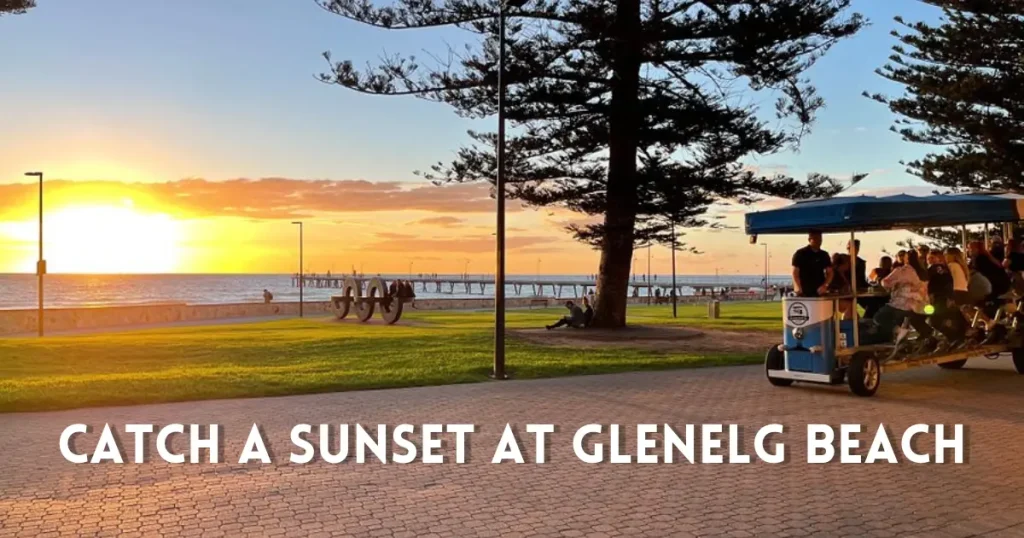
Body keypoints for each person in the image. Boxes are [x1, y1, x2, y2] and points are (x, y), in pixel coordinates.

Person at [873, 250, 932, 343]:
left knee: (879, 317)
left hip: (902, 304)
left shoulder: (903, 270)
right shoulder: (923, 272)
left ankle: (898, 332)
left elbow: (886, 282)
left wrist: (880, 281)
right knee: (908, 320)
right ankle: (911, 339)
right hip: (919, 306)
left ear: (906, 258)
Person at [791, 230, 832, 297]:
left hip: (819, 291)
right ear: (809, 239)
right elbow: (795, 272)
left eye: (820, 239)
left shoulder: (824, 255)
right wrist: (797, 287)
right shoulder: (800, 253)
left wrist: (825, 285)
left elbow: (830, 273)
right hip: (804, 291)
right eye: (815, 239)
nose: (818, 241)